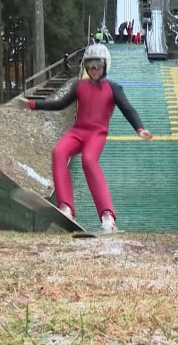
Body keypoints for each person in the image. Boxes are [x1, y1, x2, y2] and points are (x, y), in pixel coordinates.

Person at [20, 44, 153, 232]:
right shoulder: (80, 86)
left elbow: (127, 109)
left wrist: (139, 128)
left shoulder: (113, 88)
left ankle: (107, 215)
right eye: (90, 65)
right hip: (77, 132)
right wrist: (33, 105)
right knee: (59, 152)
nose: (93, 69)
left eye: (97, 65)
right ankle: (66, 207)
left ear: (106, 65)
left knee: (88, 161)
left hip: (96, 134)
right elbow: (59, 104)